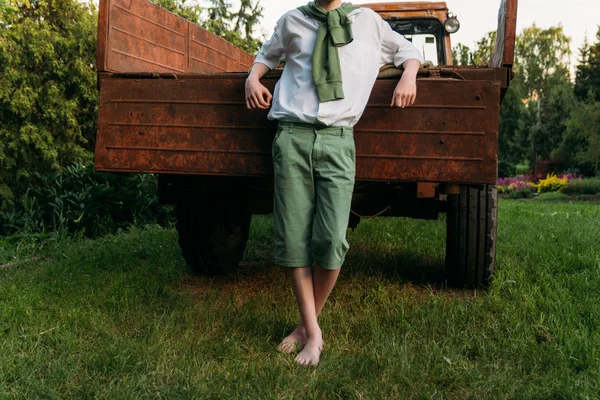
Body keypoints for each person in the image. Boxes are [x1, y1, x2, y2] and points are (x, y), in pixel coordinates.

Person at [245, 0, 423, 366]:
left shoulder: (367, 22)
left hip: (338, 139)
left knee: (331, 239)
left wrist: (409, 74)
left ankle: (304, 327)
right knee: (294, 235)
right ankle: (313, 332)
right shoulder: (292, 20)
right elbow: (267, 55)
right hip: (291, 135)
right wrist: (252, 77)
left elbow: (408, 51)